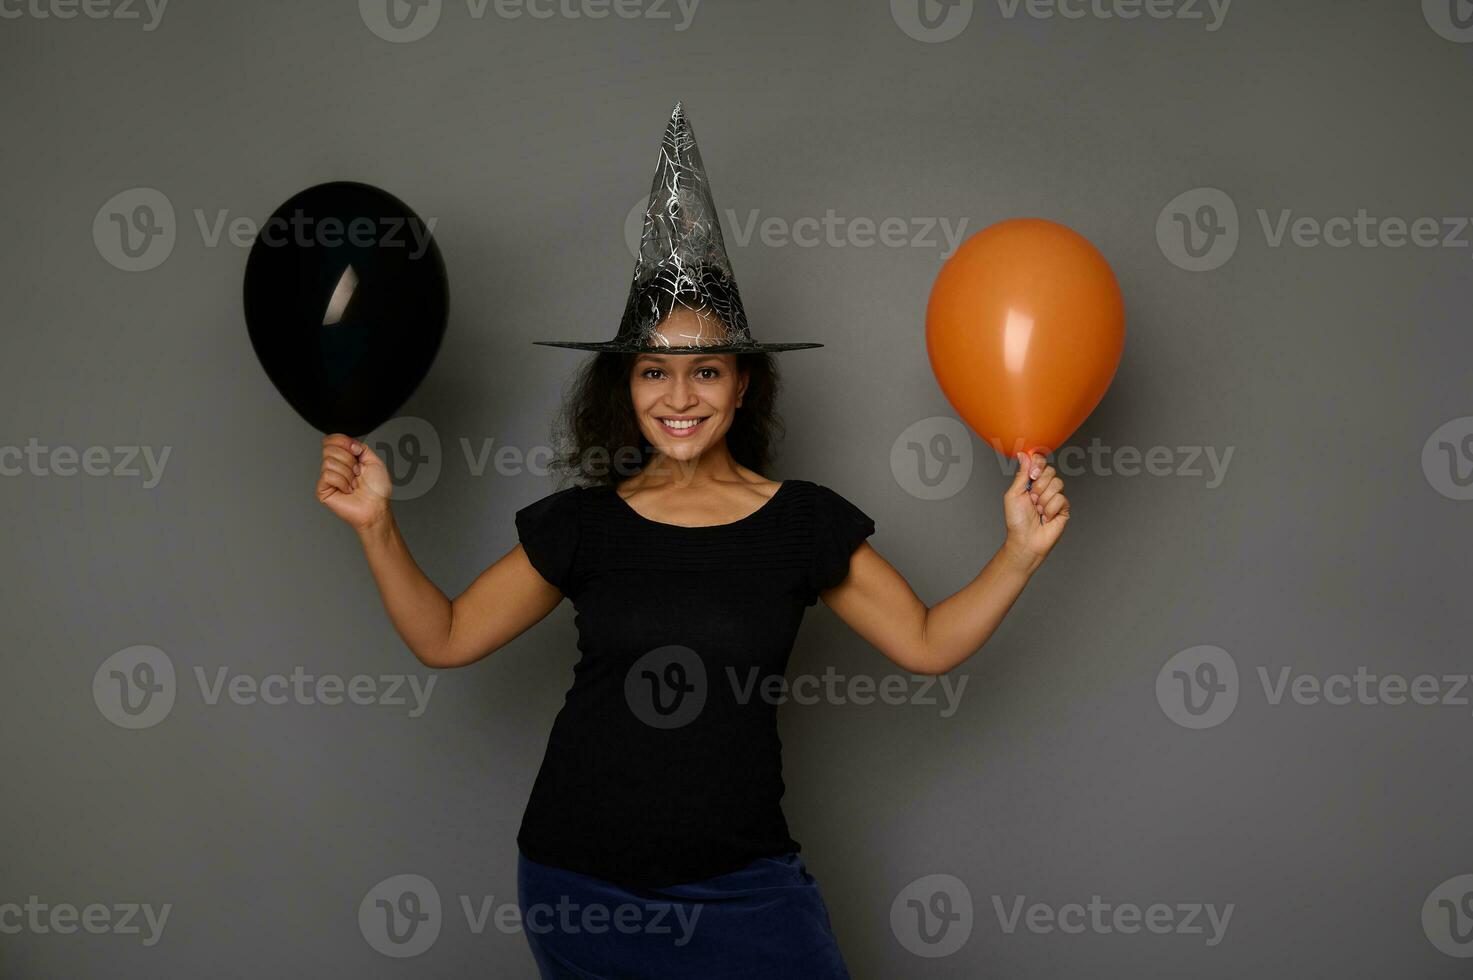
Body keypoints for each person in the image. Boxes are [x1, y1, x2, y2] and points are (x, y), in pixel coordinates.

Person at [314, 103, 1069, 979]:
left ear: (743, 385)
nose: (680, 396)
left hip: (746, 889)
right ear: (625, 386)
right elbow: (443, 638)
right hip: (579, 882)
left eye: (705, 369)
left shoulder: (803, 522)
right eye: (653, 371)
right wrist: (377, 525)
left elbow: (929, 644)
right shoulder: (582, 524)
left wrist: (1018, 552)